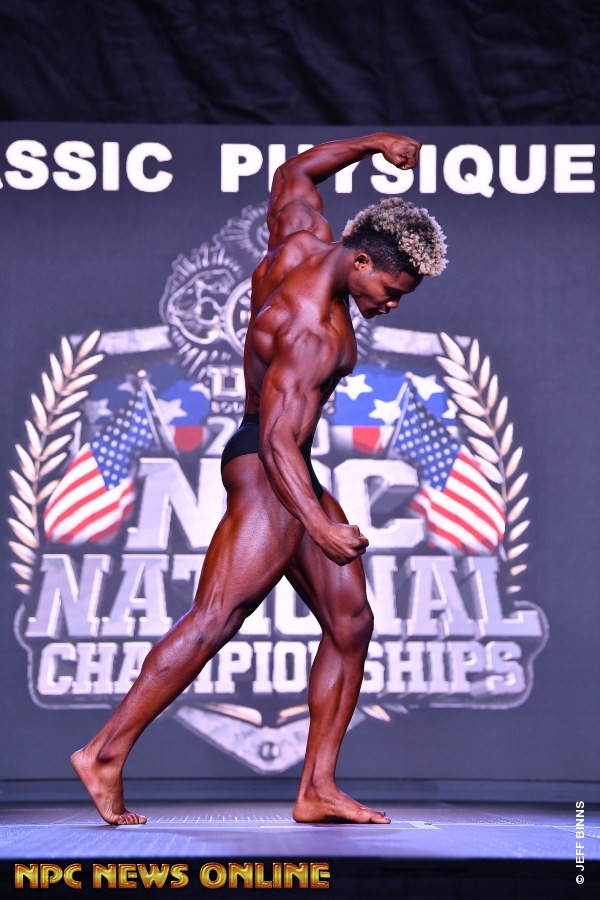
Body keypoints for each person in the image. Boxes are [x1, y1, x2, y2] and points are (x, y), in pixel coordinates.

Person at [71, 132, 447, 825]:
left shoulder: (302, 240)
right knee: (216, 616)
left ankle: (317, 788)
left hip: (287, 462)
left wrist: (374, 144)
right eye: (391, 292)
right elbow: (277, 440)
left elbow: (295, 171)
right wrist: (318, 523)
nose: (393, 304)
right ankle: (104, 752)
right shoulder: (311, 331)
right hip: (268, 465)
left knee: (350, 621)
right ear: (362, 261)